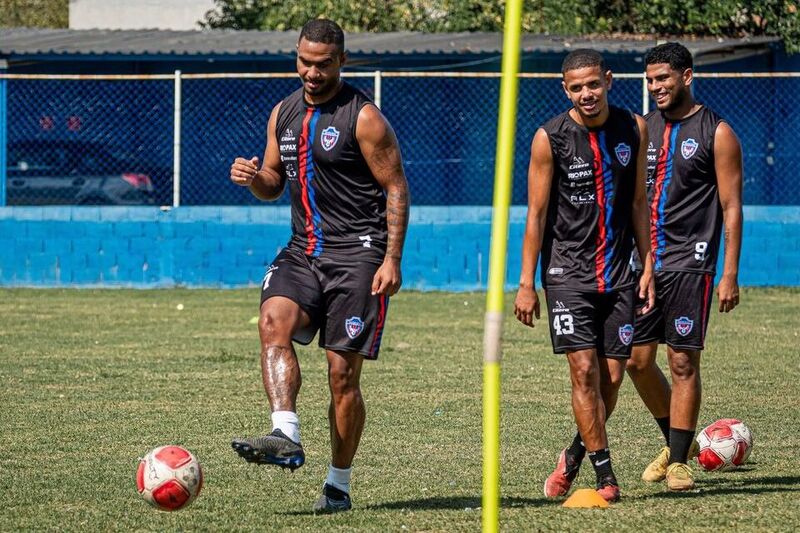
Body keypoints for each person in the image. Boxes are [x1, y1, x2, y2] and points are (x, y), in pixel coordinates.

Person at [228, 19, 409, 513]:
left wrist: (392, 258)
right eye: (305, 61)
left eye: (323, 64)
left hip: (358, 255)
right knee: (272, 321)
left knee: (341, 376)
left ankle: (338, 483)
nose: (311, 71)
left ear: (341, 61)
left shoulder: (364, 117)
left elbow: (395, 186)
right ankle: (284, 433)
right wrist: (253, 179)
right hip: (303, 249)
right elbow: (272, 181)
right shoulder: (282, 113)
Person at [514, 49, 655, 503]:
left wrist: (648, 263)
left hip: (619, 273)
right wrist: (525, 283)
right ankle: (606, 477)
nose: (586, 93)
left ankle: (573, 455)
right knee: (583, 372)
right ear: (565, 89)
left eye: (593, 84)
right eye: (576, 87)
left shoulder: (635, 127)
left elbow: (637, 204)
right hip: (567, 274)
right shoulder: (548, 138)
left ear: (609, 80)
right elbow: (535, 216)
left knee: (611, 379)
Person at [626, 42, 743, 491]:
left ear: (686, 77)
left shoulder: (718, 131)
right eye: (650, 80)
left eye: (663, 79)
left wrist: (729, 272)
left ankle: (677, 462)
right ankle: (680, 441)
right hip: (644, 265)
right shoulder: (641, 129)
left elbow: (732, 207)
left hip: (691, 265)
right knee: (636, 361)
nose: (655, 87)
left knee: (681, 361)